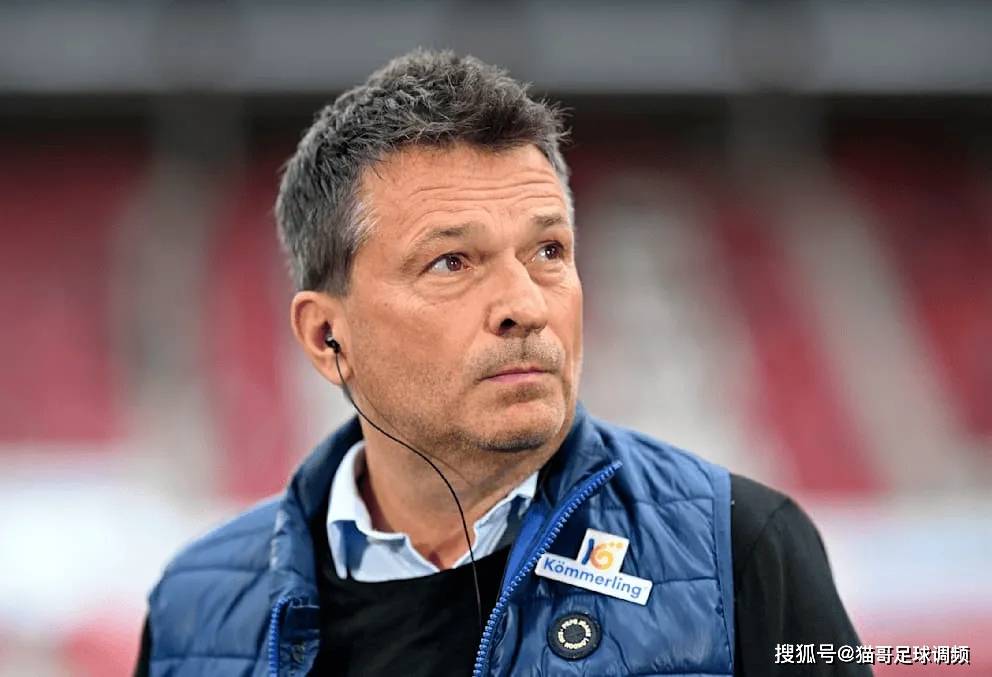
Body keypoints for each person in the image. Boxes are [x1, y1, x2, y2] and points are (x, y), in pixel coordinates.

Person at [134, 49, 870, 676]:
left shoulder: (742, 547)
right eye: (452, 261)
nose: (526, 304)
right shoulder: (194, 609)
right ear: (328, 336)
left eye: (548, 251)